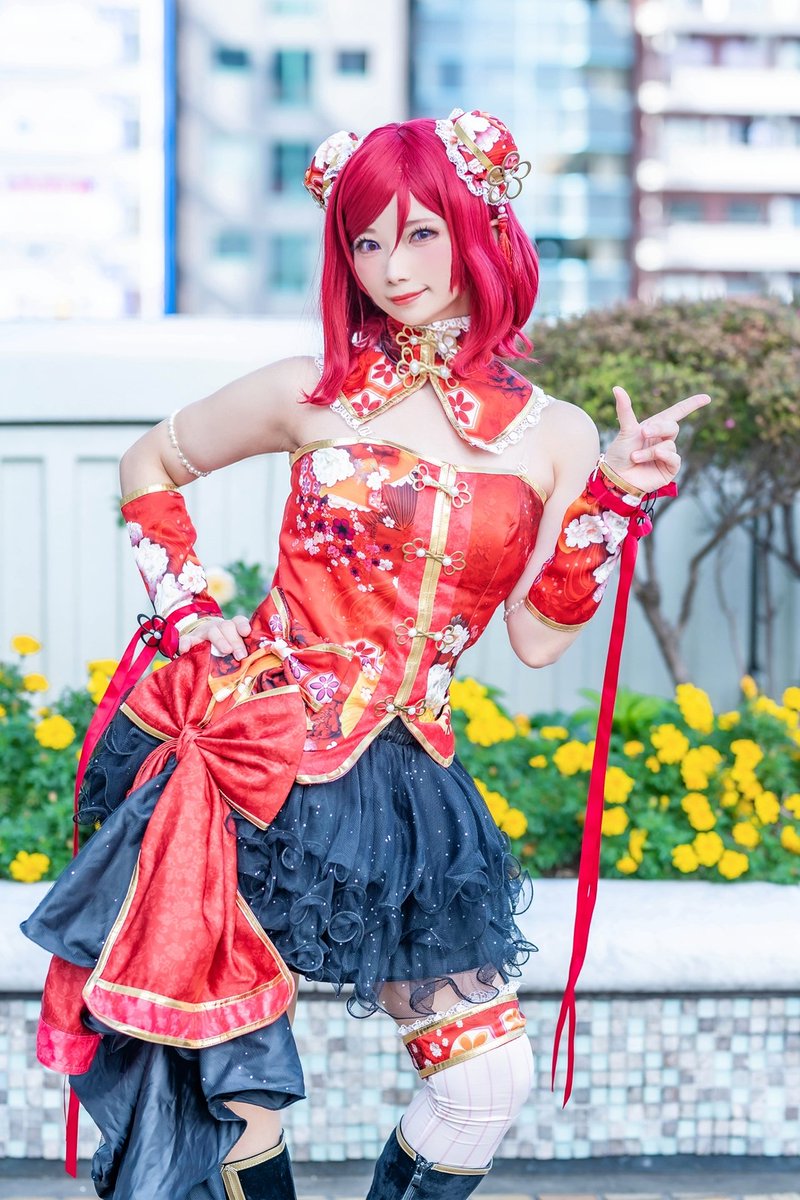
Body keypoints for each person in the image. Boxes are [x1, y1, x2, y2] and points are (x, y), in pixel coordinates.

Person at [22, 110, 709, 1200]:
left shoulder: (554, 433)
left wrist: (611, 500)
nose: (394, 268)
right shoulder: (309, 390)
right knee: (230, 1087)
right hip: (248, 761)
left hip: (403, 790)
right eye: (367, 241)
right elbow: (148, 462)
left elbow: (537, 637)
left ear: (482, 230)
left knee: (484, 1081)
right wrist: (188, 607)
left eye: (422, 233)